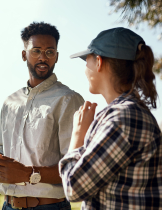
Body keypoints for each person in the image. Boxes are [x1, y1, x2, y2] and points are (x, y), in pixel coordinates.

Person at [0, 22, 84, 210]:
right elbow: (1, 150)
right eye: (36, 51)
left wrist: (28, 174)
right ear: (24, 54)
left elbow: (75, 167)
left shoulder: (68, 100)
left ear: (57, 57)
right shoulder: (10, 102)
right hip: (8, 205)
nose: (43, 57)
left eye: (50, 52)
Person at [59, 27, 162, 209]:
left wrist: (77, 137)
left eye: (86, 60)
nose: (84, 69)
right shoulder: (128, 114)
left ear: (99, 62)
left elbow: (73, 188)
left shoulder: (122, 118)